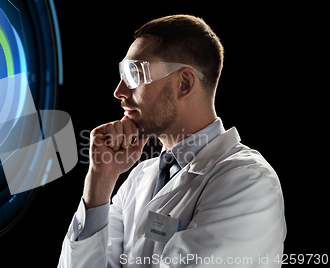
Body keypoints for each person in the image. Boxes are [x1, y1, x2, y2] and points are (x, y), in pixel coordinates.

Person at [58, 15, 286, 267]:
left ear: (184, 83)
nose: (119, 91)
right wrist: (99, 183)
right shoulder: (138, 179)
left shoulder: (247, 181)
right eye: (123, 73)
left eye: (135, 73)